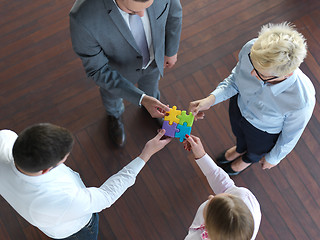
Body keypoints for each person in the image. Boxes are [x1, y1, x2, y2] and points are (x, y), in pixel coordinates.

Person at [0, 123, 172, 240]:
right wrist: (145, 154)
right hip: (76, 231)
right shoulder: (63, 199)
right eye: (64, 158)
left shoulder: (4, 139)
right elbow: (106, 196)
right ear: (46, 170)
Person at [188, 22, 316, 175]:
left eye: (261, 74)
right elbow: (235, 79)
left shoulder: (302, 101)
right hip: (239, 106)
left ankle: (247, 160)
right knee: (238, 133)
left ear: (286, 74)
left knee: (256, 150)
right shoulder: (252, 48)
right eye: (252, 64)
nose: (252, 75)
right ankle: (240, 149)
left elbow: (290, 136)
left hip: (264, 131)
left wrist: (273, 159)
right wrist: (211, 99)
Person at [69, 0, 182, 147]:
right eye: (132, 11)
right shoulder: (83, 17)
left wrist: (171, 50)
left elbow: (174, 14)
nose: (142, 14)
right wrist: (141, 99)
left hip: (154, 63)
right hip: (115, 74)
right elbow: (97, 69)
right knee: (112, 97)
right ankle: (114, 115)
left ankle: (154, 105)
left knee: (151, 88)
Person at [183, 134, 261, 239]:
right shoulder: (244, 197)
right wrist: (201, 155)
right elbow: (222, 183)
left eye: (211, 204)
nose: (210, 196)